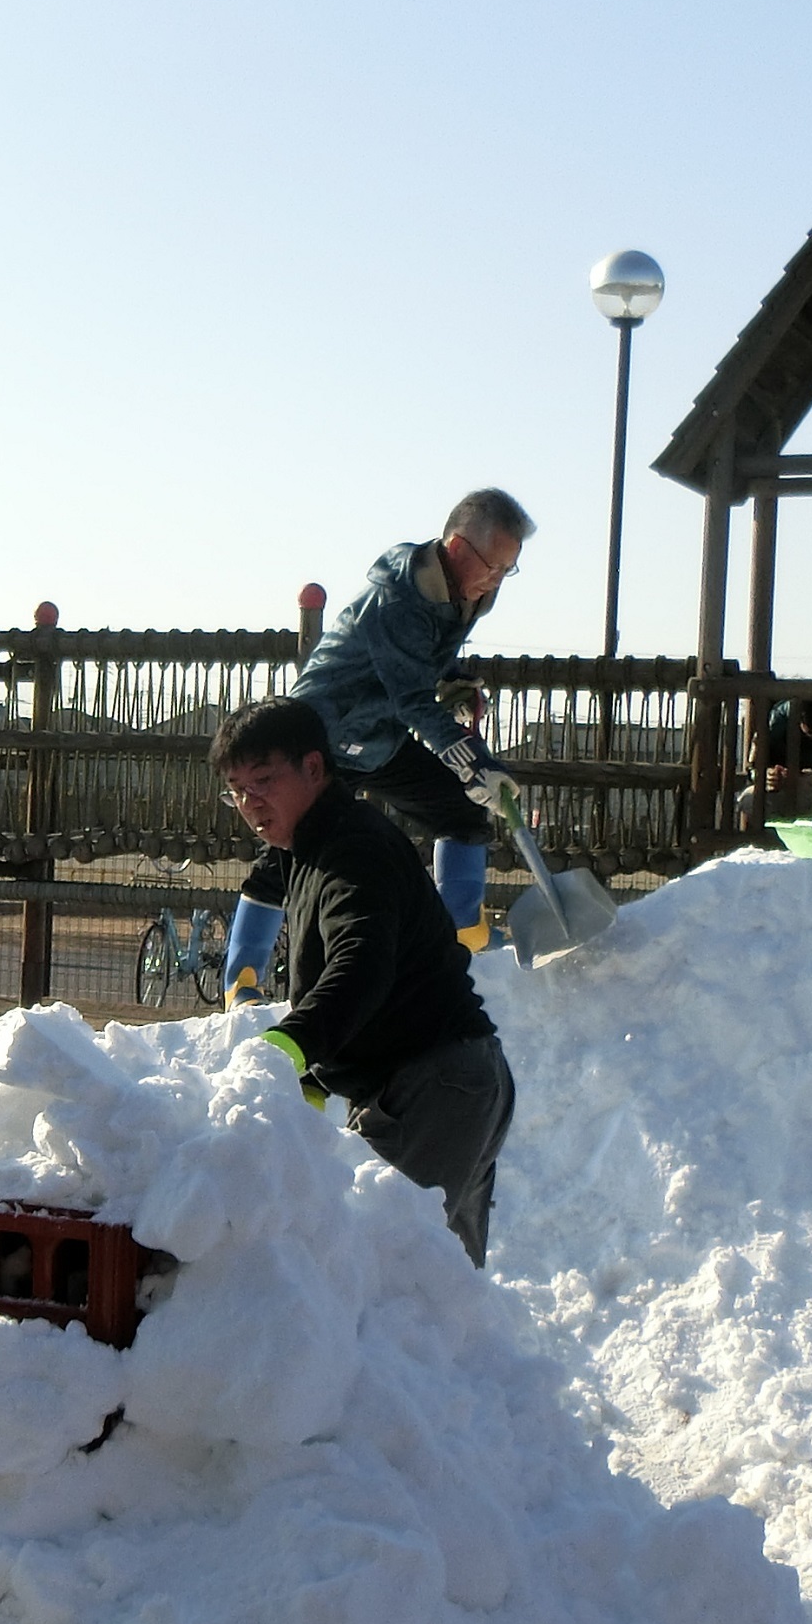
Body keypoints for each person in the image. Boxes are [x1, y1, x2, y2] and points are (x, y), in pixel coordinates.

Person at [211, 696, 514, 1261]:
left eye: (264, 781)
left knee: (378, 1271)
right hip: (448, 1082)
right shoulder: (310, 846)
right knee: (438, 1295)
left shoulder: (352, 851)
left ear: (314, 768)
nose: (250, 803)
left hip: (435, 1087)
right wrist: (318, 1078)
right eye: (236, 790)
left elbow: (362, 962)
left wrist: (292, 1043)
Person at [236, 488, 534, 989]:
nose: (498, 580)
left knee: (459, 809)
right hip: (323, 736)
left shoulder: (466, 592)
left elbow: (419, 664)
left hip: (378, 738)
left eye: (509, 569)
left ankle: (461, 930)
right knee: (292, 849)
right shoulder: (398, 598)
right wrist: (473, 761)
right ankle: (241, 979)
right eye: (495, 567)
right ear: (459, 549)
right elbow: (412, 698)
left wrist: (455, 681)